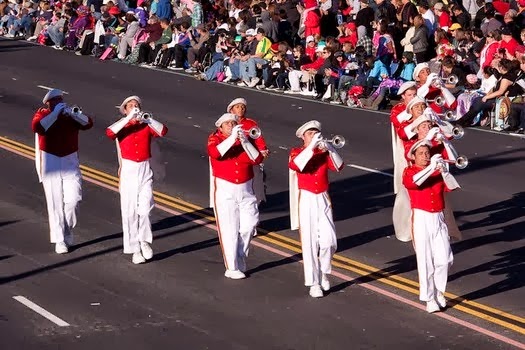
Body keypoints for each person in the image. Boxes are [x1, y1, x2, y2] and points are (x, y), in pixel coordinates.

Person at [106, 96, 168, 264]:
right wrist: (128, 118)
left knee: (146, 208)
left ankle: (144, 241)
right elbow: (110, 132)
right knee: (130, 211)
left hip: (144, 168)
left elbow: (163, 131)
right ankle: (135, 249)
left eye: (137, 105)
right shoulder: (122, 125)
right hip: (128, 170)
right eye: (131, 106)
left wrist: (148, 119)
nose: (134, 107)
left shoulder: (145, 125)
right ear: (125, 109)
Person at [31, 89, 94, 254]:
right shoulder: (42, 114)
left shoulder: (70, 116)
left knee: (74, 199)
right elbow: (37, 127)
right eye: (55, 101)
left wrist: (74, 114)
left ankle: (66, 229)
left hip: (69, 159)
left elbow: (88, 123)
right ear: (48, 104)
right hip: (50, 160)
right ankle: (59, 239)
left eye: (60, 100)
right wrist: (55, 114)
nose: (59, 103)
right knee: (55, 201)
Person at [289, 120, 344, 298]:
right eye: (310, 133)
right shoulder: (296, 152)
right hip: (306, 198)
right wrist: (312, 146)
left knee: (329, 241)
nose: (314, 135)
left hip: (322, 197)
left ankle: (324, 272)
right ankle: (313, 283)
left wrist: (330, 149)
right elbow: (297, 165)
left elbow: (338, 166)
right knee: (310, 242)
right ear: (303, 137)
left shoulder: (323, 153)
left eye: (315, 133)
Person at [402, 139, 458, 313]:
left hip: (438, 217)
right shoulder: (409, 171)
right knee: (425, 260)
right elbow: (413, 183)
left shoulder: (435, 171)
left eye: (427, 153)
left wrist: (444, 170)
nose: (425, 156)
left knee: (446, 258)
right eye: (421, 154)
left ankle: (439, 291)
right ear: (414, 157)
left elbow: (452, 186)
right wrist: (431, 168)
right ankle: (429, 298)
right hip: (421, 218)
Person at [207, 113, 263, 279]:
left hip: (246, 188)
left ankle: (240, 254)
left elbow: (257, 158)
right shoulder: (214, 139)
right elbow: (215, 153)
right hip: (226, 189)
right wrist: (232, 138)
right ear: (220, 127)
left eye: (233, 123)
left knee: (250, 225)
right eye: (228, 124)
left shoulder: (244, 139)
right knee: (229, 229)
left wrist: (245, 141)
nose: (231, 126)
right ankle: (231, 267)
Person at [226, 97, 269, 205]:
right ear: (231, 110)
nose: (241, 109)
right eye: (237, 107)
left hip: (250, 157)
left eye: (243, 107)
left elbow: (258, 138)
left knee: (256, 183)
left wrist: (263, 150)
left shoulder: (251, 123)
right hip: (234, 158)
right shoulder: (227, 123)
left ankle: (256, 203)